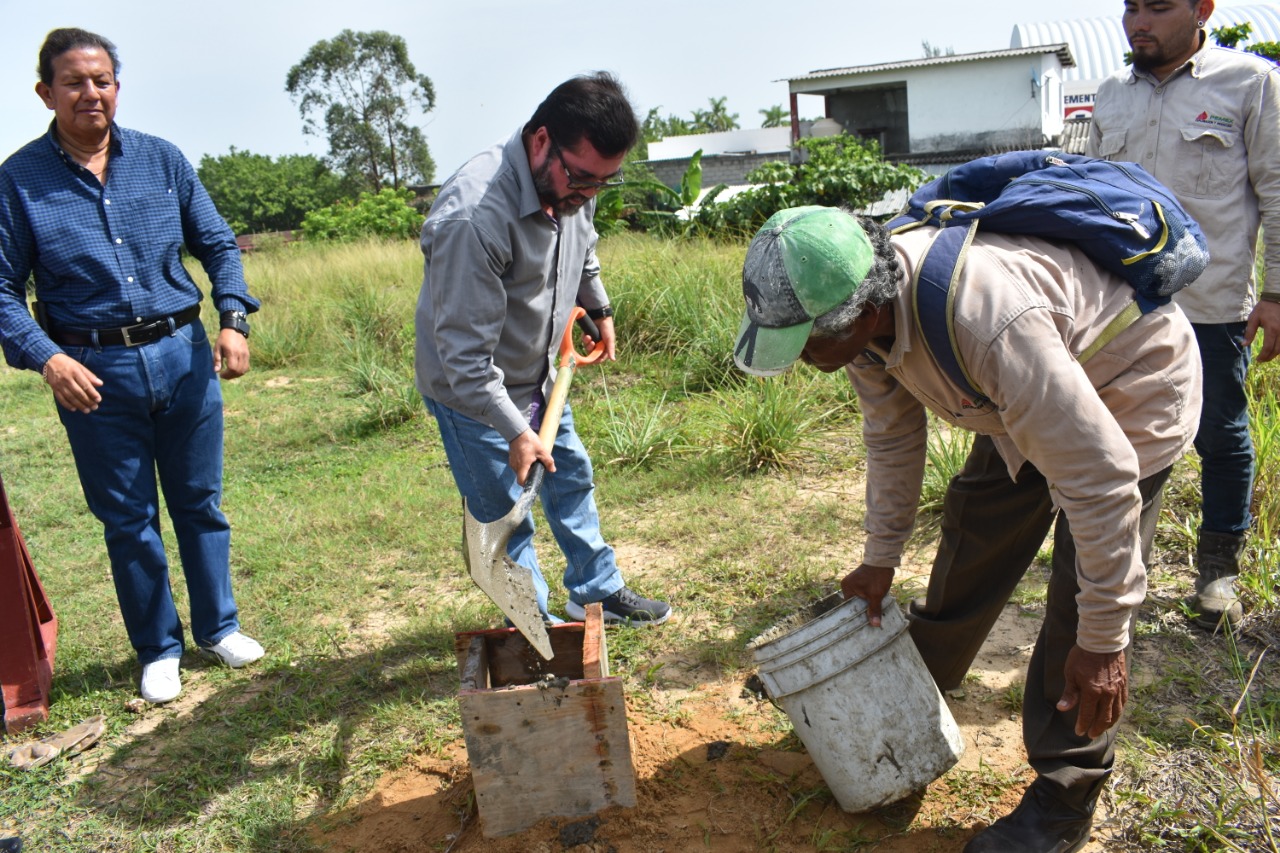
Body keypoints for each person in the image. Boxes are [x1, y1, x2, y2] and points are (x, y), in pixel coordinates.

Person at [733, 206, 1202, 852]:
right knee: (976, 521)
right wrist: (880, 557)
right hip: (1020, 396)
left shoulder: (987, 323)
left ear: (863, 313)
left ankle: (1066, 796)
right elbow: (893, 437)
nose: (806, 359)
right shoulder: (863, 321)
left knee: (1079, 603)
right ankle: (924, 675)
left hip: (1128, 386)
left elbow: (1101, 480)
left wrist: (1102, 642)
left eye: (808, 343)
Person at [0, 28, 264, 705]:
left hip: (183, 353)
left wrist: (232, 318)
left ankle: (219, 627)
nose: (90, 92)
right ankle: (158, 648)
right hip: (91, 372)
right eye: (74, 82)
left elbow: (217, 243)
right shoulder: (18, 181)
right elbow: (1, 288)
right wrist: (48, 358)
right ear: (46, 93)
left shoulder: (161, 159)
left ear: (117, 87)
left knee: (200, 503)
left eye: (102, 80)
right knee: (128, 518)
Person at [414, 72, 670, 627]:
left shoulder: (574, 186)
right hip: (474, 396)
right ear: (541, 140)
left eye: (603, 183)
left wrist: (598, 307)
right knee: (510, 510)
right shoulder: (473, 216)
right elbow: (464, 362)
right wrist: (516, 431)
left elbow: (584, 248)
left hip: (542, 372)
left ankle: (596, 592)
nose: (589, 194)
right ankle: (533, 627)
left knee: (570, 476)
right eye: (582, 178)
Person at [1087, 0, 1280, 631]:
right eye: (1130, 8)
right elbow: (1087, 196)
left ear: (1202, 10)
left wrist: (1276, 295)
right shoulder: (1111, 94)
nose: (1138, 21)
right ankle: (1119, 567)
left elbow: (1276, 191)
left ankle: (1217, 570)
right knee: (1117, 436)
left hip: (1211, 305)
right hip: (1122, 308)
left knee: (1220, 435)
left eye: (1158, 6)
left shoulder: (1250, 82)